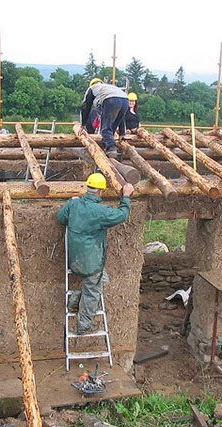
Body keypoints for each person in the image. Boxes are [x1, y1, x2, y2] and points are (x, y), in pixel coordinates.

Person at [56, 173, 134, 335]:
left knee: (103, 280)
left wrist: (71, 203)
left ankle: (75, 301)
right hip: (91, 263)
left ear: (88, 187)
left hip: (74, 260)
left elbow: (60, 217)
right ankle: (84, 325)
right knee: (93, 291)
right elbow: (122, 215)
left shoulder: (74, 204)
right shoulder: (100, 211)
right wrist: (126, 197)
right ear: (100, 192)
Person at [80, 78, 129, 158]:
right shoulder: (108, 88)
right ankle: (107, 146)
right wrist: (122, 133)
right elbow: (121, 117)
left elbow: (85, 106)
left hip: (111, 100)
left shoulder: (92, 88)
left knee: (105, 129)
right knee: (110, 130)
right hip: (125, 100)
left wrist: (83, 124)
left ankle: (111, 148)